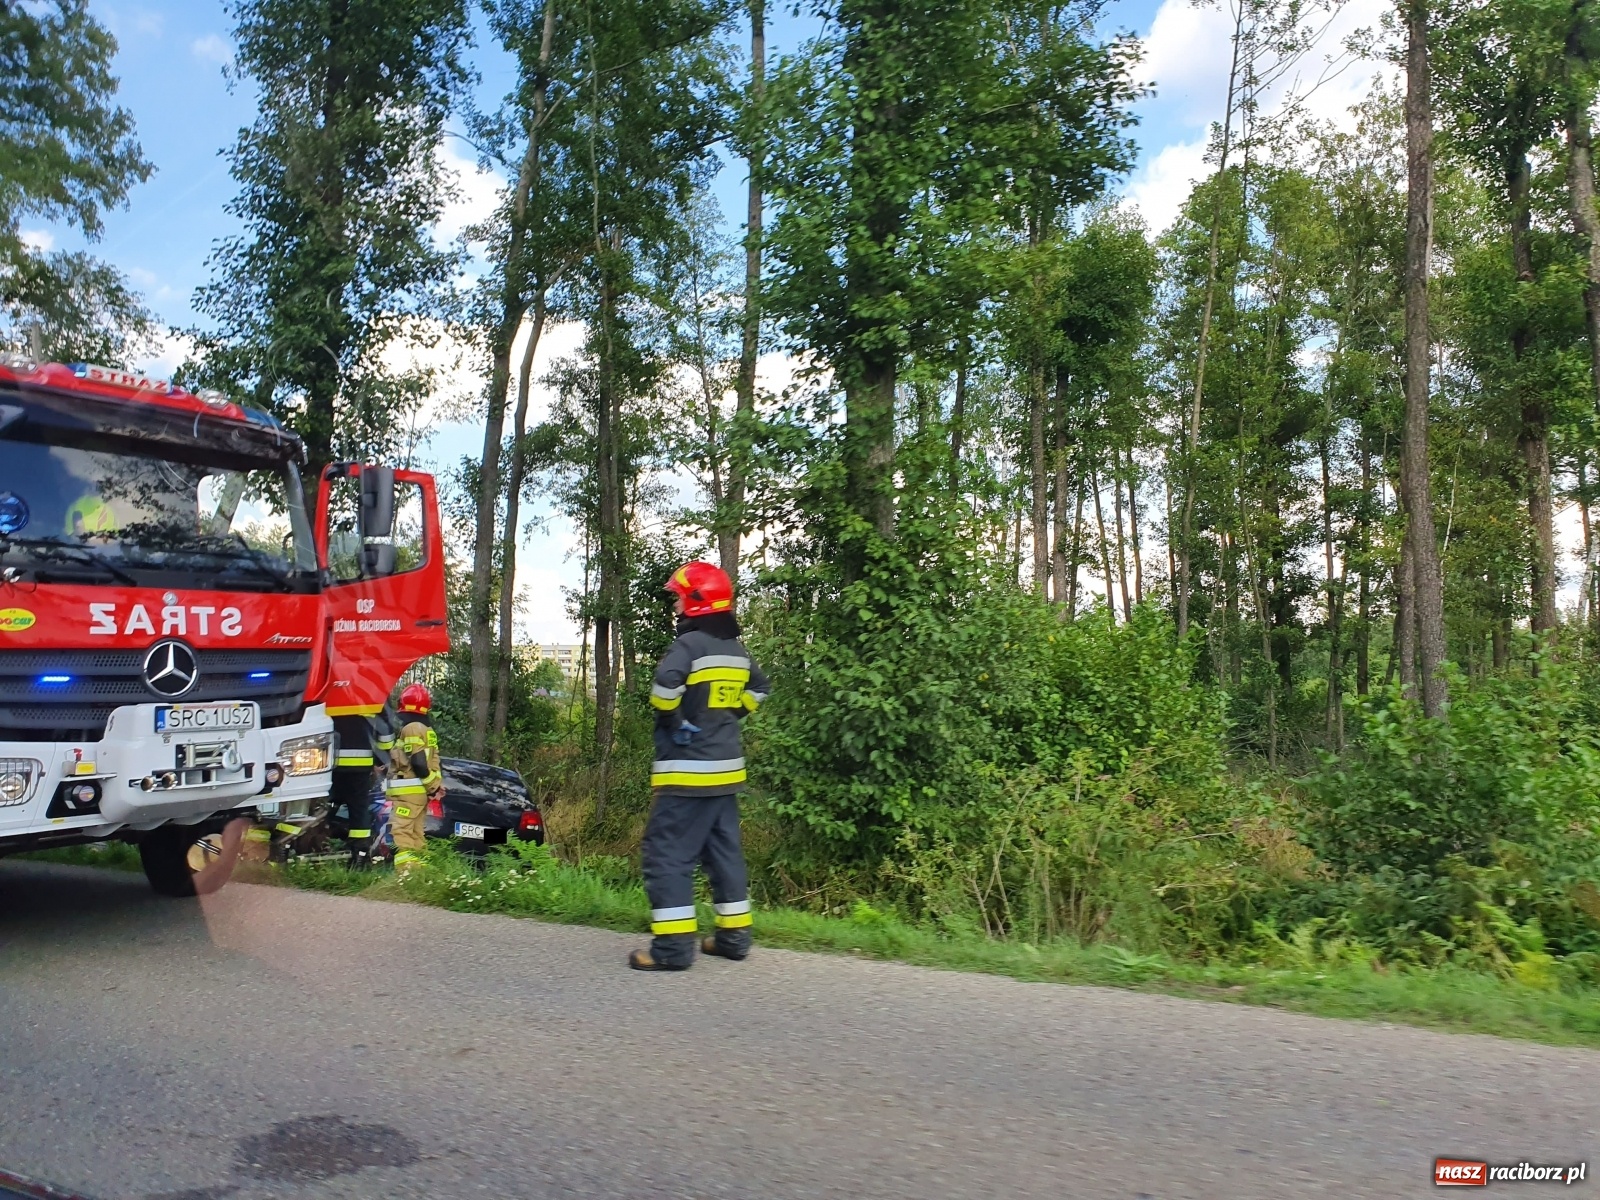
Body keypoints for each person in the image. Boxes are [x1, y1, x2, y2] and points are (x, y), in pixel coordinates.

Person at [630, 561, 769, 972]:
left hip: (687, 773)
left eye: (677, 597)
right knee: (724, 853)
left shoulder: (688, 645)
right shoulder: (736, 650)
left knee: (666, 854)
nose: (675, 605)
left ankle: (673, 949)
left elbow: (663, 690)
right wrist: (730, 715)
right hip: (727, 773)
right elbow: (760, 688)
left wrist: (675, 722)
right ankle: (734, 938)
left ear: (696, 601)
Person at [387, 683, 443, 875]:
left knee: (401, 832)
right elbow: (432, 762)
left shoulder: (411, 728)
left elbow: (418, 762)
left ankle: (405, 874)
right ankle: (421, 875)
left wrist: (432, 786)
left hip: (408, 794)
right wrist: (434, 787)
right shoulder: (427, 730)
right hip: (419, 795)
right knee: (417, 836)